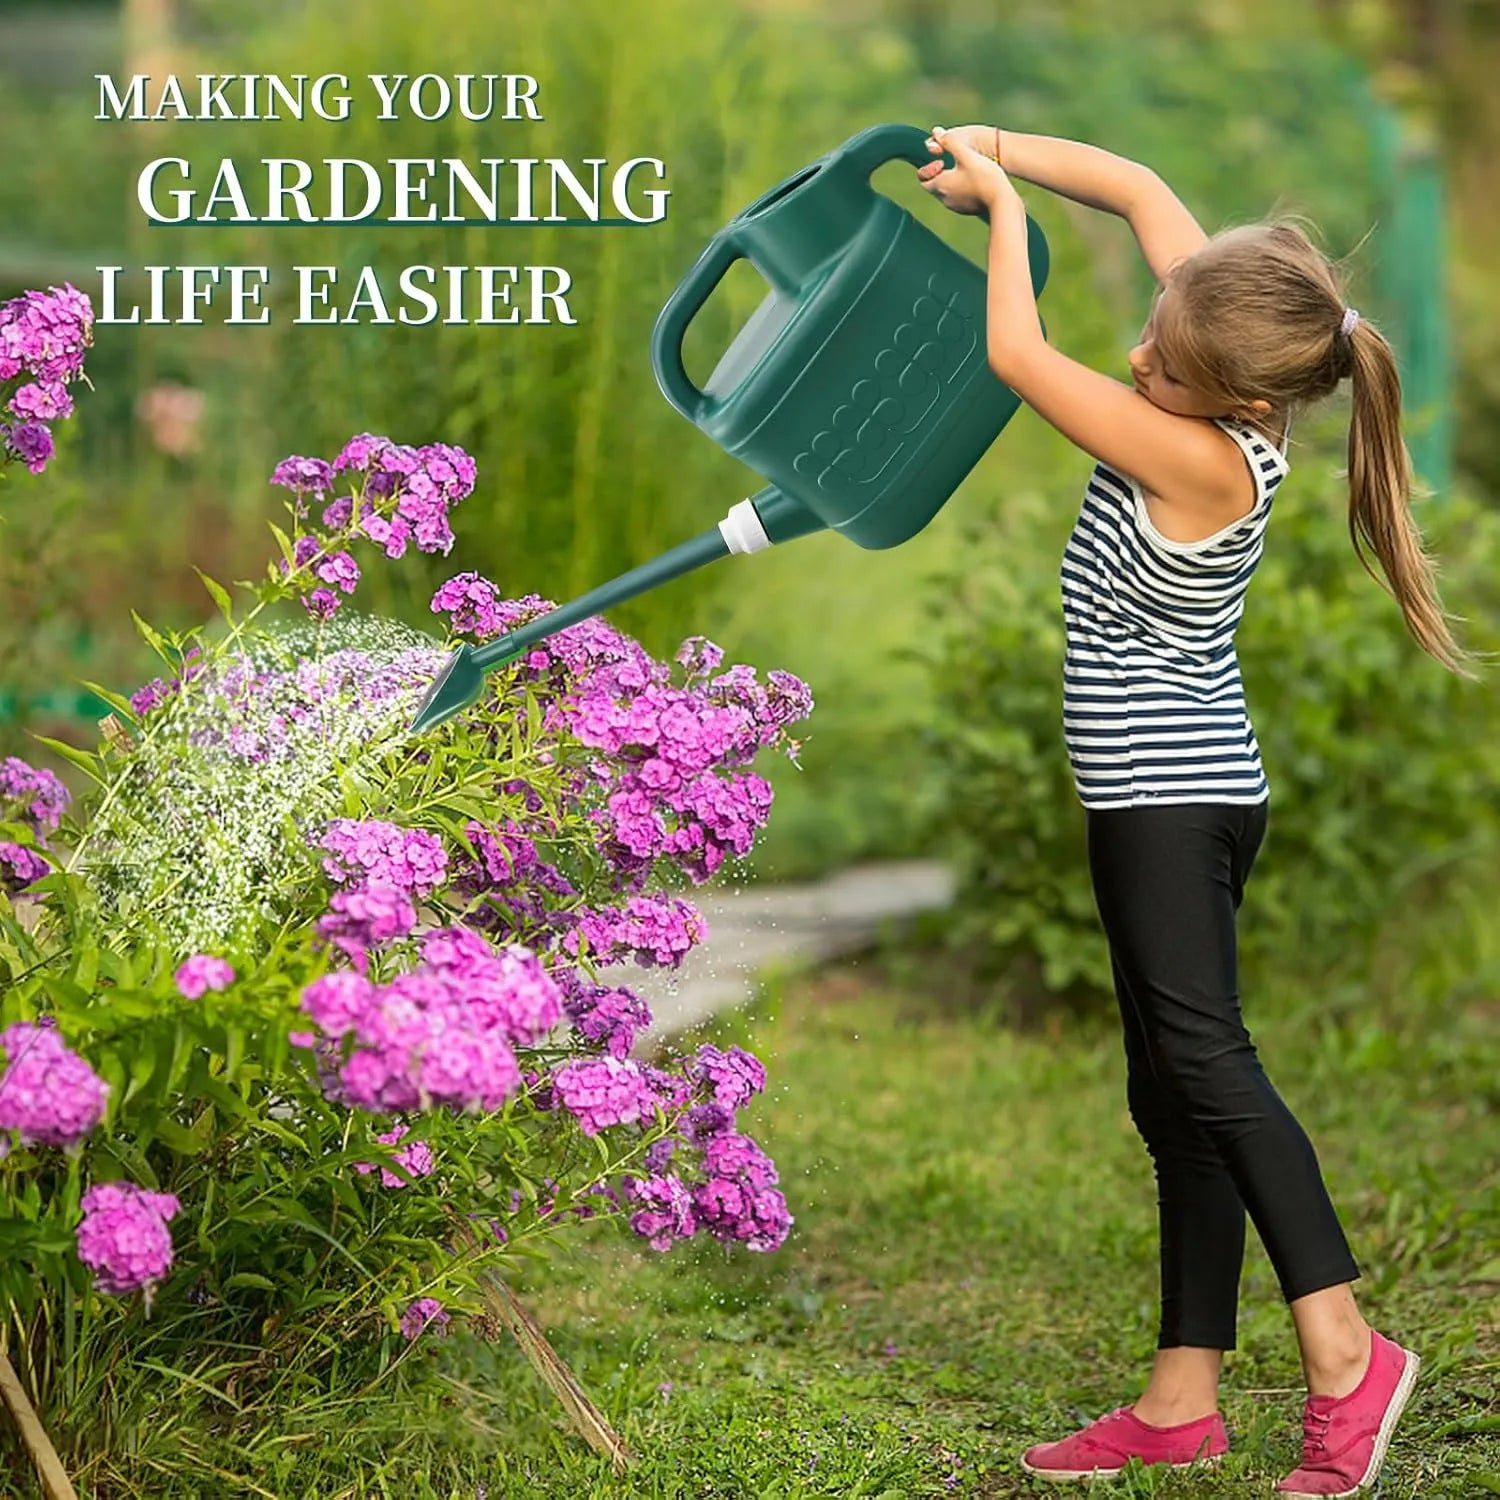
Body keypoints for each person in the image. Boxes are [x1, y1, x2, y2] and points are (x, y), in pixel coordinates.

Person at [917, 124, 1466, 1497]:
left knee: (1209, 1070)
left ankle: (1346, 1352)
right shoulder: (1236, 366)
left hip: (1168, 800)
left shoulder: (1201, 457)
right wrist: (991, 143)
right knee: (1170, 1092)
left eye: (1160, 362)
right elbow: (1142, 189)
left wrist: (1001, 213)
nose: (1138, 359)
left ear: (1232, 394)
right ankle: (1180, 1400)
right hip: (1177, 789)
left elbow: (1017, 357)